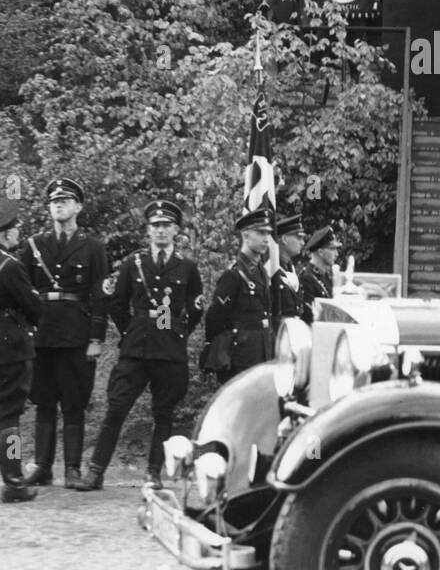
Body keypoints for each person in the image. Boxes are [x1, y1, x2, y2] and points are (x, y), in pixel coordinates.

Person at [74, 200, 203, 491]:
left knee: (164, 413)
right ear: (148, 230)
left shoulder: (188, 266)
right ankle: (96, 472)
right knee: (116, 408)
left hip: (169, 350)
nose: (160, 231)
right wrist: (130, 329)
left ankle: (153, 473)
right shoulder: (134, 264)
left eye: (166, 226)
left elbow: (195, 308)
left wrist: (178, 331)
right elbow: (118, 305)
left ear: (176, 230)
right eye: (155, 226)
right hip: (135, 348)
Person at [21, 178, 109, 489]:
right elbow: (19, 292)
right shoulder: (33, 246)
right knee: (43, 401)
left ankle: (72, 468)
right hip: (42, 333)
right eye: (54, 201)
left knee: (74, 402)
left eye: (66, 201)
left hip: (76, 333)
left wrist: (96, 339)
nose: (59, 205)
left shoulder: (94, 248)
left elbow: (101, 296)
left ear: (78, 207)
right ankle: (43, 467)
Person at [0, 201, 43, 503]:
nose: (17, 234)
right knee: (10, 419)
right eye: (14, 230)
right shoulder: (10, 266)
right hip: (11, 349)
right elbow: (34, 307)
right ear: (3, 235)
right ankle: (14, 481)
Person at [202, 209, 276, 383]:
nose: (266, 239)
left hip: (261, 351)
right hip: (240, 357)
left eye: (268, 233)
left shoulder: (260, 271)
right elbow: (215, 317)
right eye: (260, 233)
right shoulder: (234, 275)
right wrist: (218, 349)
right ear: (246, 235)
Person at [272, 214, 311, 323]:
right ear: (284, 239)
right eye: (299, 237)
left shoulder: (290, 270)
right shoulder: (271, 271)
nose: (302, 242)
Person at [301, 224, 338, 301]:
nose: (336, 254)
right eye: (333, 249)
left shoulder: (325, 275)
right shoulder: (307, 279)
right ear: (320, 252)